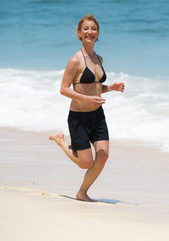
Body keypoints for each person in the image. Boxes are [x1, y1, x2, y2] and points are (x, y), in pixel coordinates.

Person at [49, 14, 125, 202]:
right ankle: (60, 141)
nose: (90, 32)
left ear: (98, 33)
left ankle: (82, 193)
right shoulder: (75, 60)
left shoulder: (99, 58)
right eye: (86, 29)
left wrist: (112, 88)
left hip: (97, 116)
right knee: (85, 163)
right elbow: (63, 89)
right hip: (79, 118)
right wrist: (86, 98)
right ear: (79, 33)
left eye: (93, 29)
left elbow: (96, 89)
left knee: (103, 156)